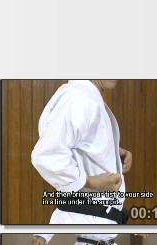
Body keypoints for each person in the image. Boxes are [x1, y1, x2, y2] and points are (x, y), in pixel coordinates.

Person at [31, 80, 132, 226]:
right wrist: (91, 182)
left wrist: (113, 152)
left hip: (96, 219)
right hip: (86, 220)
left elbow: (80, 142)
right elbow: (47, 155)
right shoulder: (78, 97)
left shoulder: (85, 95)